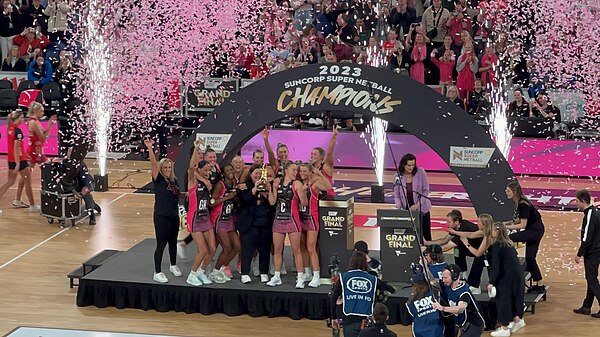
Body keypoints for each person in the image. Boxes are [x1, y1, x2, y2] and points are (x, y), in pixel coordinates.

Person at [143, 138, 182, 283]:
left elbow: (177, 195)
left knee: (173, 242)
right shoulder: (158, 179)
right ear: (161, 169)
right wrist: (150, 148)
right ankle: (157, 272)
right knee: (161, 243)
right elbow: (153, 163)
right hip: (161, 216)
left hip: (173, 215)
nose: (167, 169)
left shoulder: (174, 181)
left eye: (169, 167)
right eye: (165, 167)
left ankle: (173, 265)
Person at [331, 251, 395, 337]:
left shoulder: (344, 277)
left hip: (349, 321)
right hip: (367, 322)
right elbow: (390, 289)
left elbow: (333, 298)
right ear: (365, 263)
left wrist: (334, 317)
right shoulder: (373, 279)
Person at [267, 161, 306, 288]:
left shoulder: (297, 184)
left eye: (297, 170)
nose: (296, 172)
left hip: (292, 220)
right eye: (293, 170)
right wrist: (272, 189)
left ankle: (300, 278)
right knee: (277, 250)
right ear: (286, 171)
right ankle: (277, 276)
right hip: (279, 220)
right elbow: (272, 202)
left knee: (296, 250)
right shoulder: (277, 183)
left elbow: (304, 203)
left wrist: (303, 192)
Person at [485, 221, 526, 337]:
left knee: (503, 299)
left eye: (493, 230)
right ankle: (517, 320)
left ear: (497, 231)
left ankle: (505, 327)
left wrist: (491, 282)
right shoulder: (508, 243)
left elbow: (496, 267)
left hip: (507, 276)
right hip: (516, 275)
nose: (491, 232)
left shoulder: (497, 245)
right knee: (513, 297)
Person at [430, 209, 485, 294]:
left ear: (457, 222)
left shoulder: (465, 228)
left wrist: (430, 251)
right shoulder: (456, 228)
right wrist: (427, 243)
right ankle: (463, 274)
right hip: (472, 248)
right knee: (457, 250)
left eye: (449, 222)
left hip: (483, 250)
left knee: (479, 258)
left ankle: (475, 286)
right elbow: (444, 241)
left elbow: (446, 247)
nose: (447, 224)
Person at [504, 181, 545, 291]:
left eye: (508, 191)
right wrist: (507, 223)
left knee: (508, 239)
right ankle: (540, 285)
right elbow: (522, 219)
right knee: (530, 258)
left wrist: (505, 228)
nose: (506, 192)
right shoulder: (521, 202)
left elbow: (523, 224)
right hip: (536, 229)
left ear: (515, 192)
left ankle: (511, 261)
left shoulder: (523, 204)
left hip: (534, 231)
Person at [186, 144, 217, 286]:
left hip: (205, 217)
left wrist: (206, 180)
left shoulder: (208, 183)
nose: (207, 173)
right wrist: (197, 148)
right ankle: (191, 275)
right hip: (195, 218)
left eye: (209, 170)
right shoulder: (193, 181)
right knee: (203, 250)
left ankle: (201, 272)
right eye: (205, 170)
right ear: (199, 170)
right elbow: (191, 168)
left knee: (213, 249)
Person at [14, 102, 56, 208]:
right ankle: (47, 199)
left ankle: (18, 199)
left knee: (25, 177)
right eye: (41, 110)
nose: (43, 112)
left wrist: (50, 124)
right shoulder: (33, 122)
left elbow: (44, 134)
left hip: (36, 151)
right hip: (35, 153)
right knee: (44, 173)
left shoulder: (35, 121)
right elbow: (43, 138)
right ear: (35, 111)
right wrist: (50, 126)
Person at [296, 163, 331, 287]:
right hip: (300, 218)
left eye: (305, 171)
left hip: (311, 218)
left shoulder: (315, 184)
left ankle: (316, 276)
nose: (302, 173)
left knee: (311, 248)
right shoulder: (299, 184)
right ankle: (307, 272)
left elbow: (329, 187)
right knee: (303, 247)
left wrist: (320, 173)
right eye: (301, 171)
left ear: (310, 172)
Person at [238, 164, 273, 284]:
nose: (258, 176)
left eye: (260, 174)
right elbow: (245, 200)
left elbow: (272, 204)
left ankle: (263, 272)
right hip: (250, 223)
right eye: (255, 174)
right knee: (247, 249)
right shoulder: (244, 186)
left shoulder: (267, 186)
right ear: (251, 174)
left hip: (265, 223)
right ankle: (245, 273)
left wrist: (266, 192)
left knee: (264, 249)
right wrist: (255, 189)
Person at [0, 111, 39, 213]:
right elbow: (16, 148)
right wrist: (18, 163)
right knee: (28, 181)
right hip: (19, 160)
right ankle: (33, 205)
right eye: (21, 118)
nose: (23, 119)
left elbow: (16, 147)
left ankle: (19, 201)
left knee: (10, 182)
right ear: (17, 119)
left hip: (11, 159)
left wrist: (25, 154)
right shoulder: (18, 132)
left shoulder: (9, 129)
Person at [433, 264, 485, 337]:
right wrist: (424, 266)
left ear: (454, 277)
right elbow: (432, 281)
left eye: (445, 277)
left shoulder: (464, 293)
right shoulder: (447, 284)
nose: (443, 280)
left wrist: (442, 308)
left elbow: (460, 309)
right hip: (459, 322)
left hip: (474, 325)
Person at [208, 163, 240, 283]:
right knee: (226, 247)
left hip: (229, 218)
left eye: (231, 169)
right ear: (223, 173)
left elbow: (234, 198)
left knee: (237, 247)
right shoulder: (220, 185)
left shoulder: (234, 183)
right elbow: (211, 202)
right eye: (228, 170)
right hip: (219, 218)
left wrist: (236, 196)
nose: (231, 171)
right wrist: (227, 197)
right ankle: (215, 272)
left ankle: (222, 267)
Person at [393, 153, 433, 241]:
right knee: (411, 233)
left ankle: (430, 252)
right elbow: (396, 194)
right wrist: (398, 206)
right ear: (403, 165)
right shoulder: (397, 176)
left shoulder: (420, 172)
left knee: (426, 233)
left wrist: (418, 205)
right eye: (409, 165)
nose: (411, 167)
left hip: (422, 208)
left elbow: (425, 191)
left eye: (413, 165)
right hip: (407, 209)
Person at [573, 189, 600, 317]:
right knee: (591, 278)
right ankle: (586, 306)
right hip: (596, 250)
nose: (575, 203)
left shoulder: (590, 215)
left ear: (583, 201)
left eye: (577, 201)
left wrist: (579, 253)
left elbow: (587, 237)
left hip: (593, 251)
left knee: (591, 279)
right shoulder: (594, 211)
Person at [406, 271, 444, 337]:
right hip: (436, 329)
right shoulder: (436, 293)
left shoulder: (410, 301)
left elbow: (412, 314)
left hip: (419, 330)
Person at [309, 125, 338, 197]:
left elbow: (330, 152)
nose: (312, 156)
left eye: (315, 154)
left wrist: (333, 137)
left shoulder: (326, 166)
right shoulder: (310, 167)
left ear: (321, 156)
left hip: (327, 195)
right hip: (315, 194)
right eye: (312, 154)